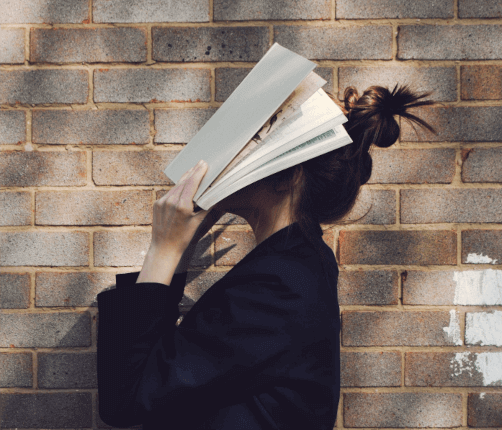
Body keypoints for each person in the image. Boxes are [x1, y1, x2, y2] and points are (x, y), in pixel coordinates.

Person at [97, 84, 435, 430]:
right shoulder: (294, 266)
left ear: (288, 176)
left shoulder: (280, 286)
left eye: (253, 145)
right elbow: (159, 371)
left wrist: (163, 249)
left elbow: (127, 398)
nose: (232, 155)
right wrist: (182, 244)